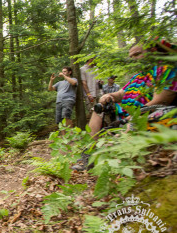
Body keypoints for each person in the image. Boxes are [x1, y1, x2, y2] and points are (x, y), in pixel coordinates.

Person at [72, 39, 177, 171]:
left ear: (152, 51)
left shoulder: (166, 69)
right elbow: (121, 93)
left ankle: (110, 155)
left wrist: (129, 118)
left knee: (135, 120)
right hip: (128, 113)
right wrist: (109, 96)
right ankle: (88, 151)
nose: (134, 59)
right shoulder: (137, 76)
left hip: (150, 113)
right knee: (99, 107)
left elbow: (160, 101)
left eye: (137, 54)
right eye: (131, 56)